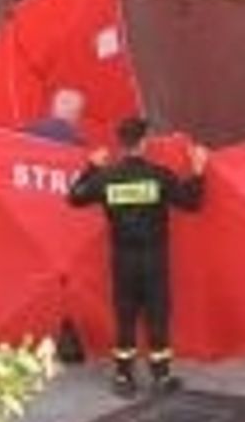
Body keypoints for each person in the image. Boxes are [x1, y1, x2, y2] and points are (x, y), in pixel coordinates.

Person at [68, 116, 208, 397]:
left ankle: (123, 377)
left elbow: (74, 197)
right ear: (143, 143)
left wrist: (91, 167)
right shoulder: (159, 176)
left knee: (125, 317)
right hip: (154, 260)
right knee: (157, 316)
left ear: (120, 144)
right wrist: (198, 170)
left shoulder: (106, 178)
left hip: (123, 261)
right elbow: (192, 203)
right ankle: (161, 377)